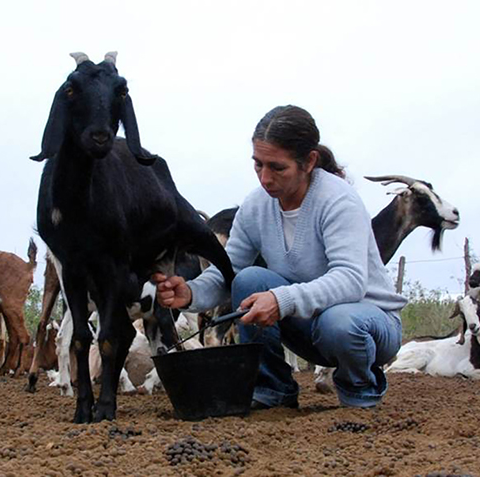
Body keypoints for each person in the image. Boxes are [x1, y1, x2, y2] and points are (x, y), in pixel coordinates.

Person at [153, 105, 407, 409]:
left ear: (309, 161)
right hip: (309, 327)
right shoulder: (256, 207)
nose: (264, 178)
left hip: (368, 325)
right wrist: (191, 292)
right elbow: (227, 272)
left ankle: (360, 392)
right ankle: (272, 390)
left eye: (277, 167)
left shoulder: (338, 201)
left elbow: (350, 281)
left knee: (338, 321)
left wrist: (280, 300)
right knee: (248, 279)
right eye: (258, 165)